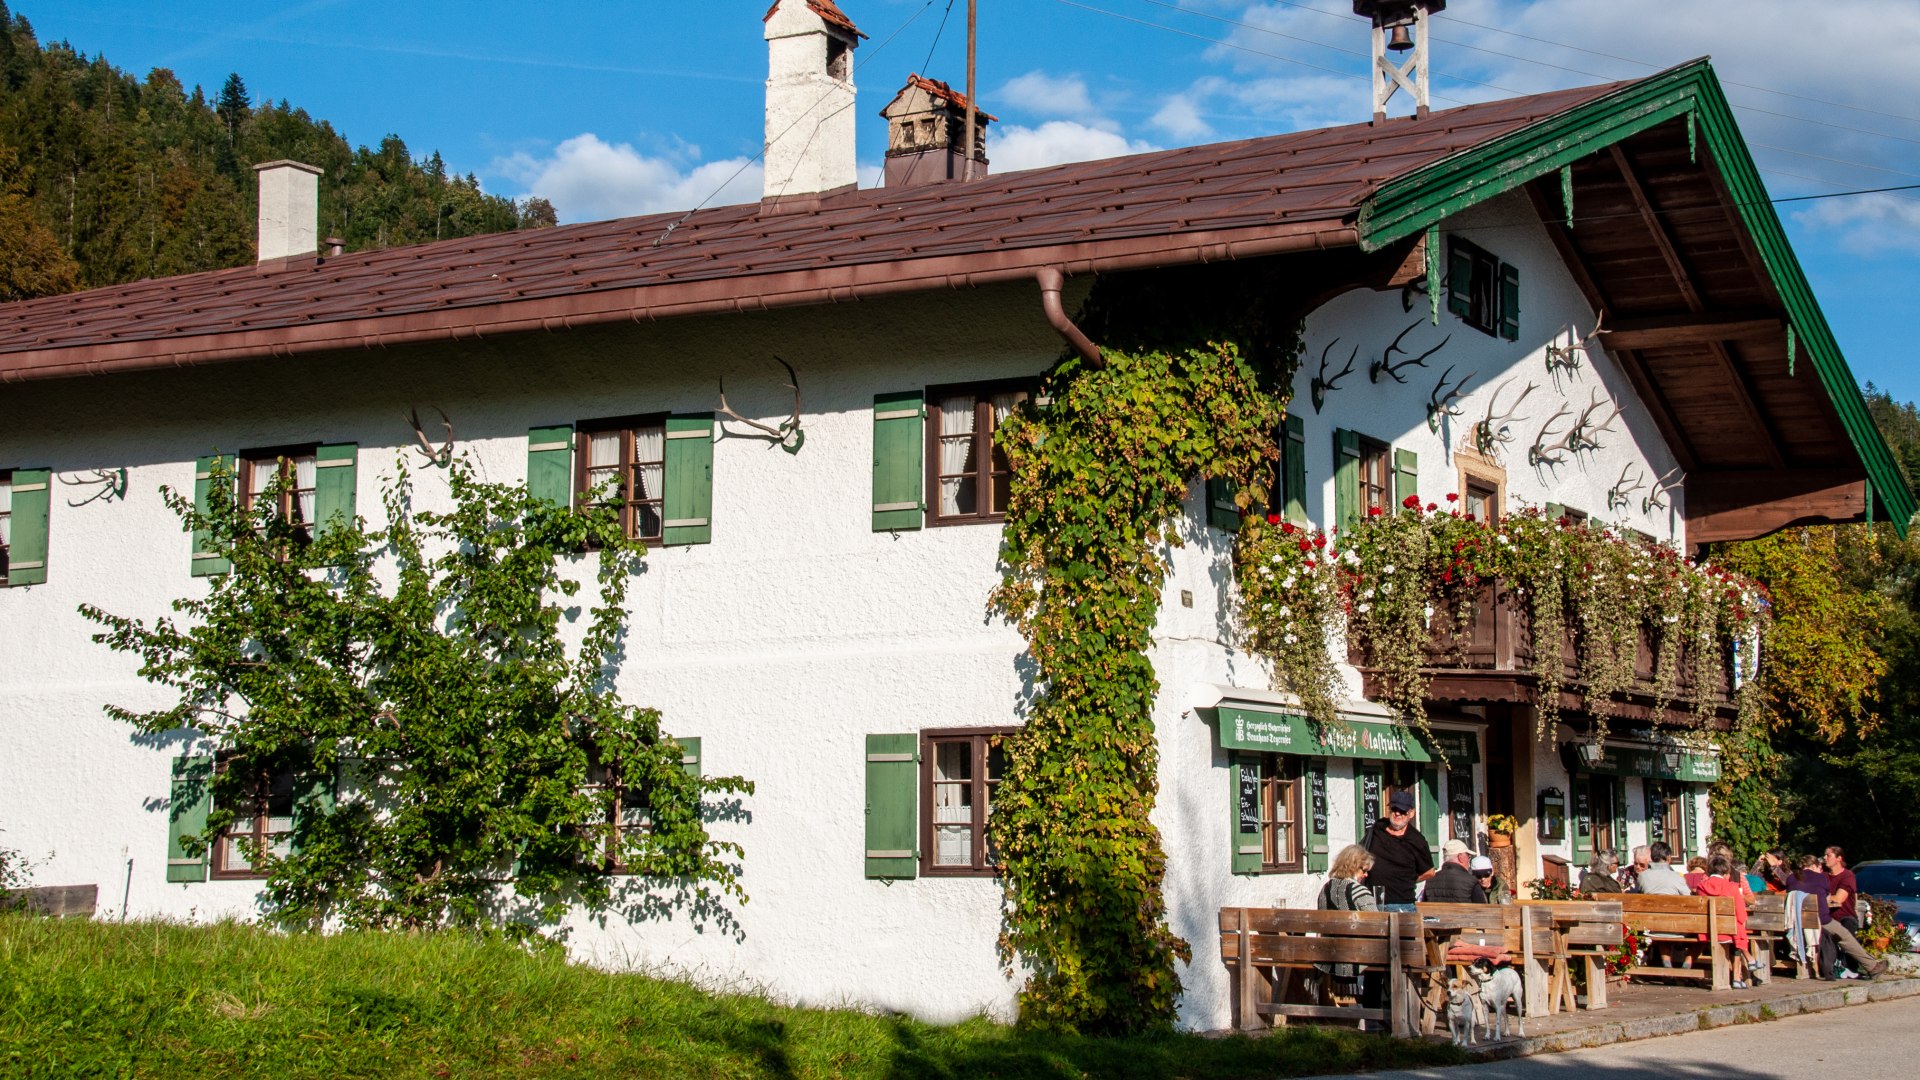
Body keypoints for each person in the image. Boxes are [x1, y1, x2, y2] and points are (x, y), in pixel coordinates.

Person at [1316, 844, 1379, 1010]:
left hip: (1327, 953)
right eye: (1363, 870)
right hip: (1355, 956)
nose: (1365, 875)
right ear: (1352, 866)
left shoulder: (1326, 889)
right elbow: (1377, 926)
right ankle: (1374, 1013)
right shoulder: (1360, 892)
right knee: (1390, 956)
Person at [1362, 790, 1434, 912]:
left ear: (1411, 813)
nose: (1397, 814)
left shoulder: (1416, 840)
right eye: (1394, 809)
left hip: (1401, 904)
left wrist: (1406, 880)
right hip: (1371, 902)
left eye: (1402, 811)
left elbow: (1430, 872)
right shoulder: (1377, 828)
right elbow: (1360, 853)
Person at [1693, 855, 1755, 988]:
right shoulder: (1732, 887)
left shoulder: (1701, 886)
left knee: (1734, 928)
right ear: (1726, 872)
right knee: (1737, 928)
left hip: (1706, 930)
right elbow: (1741, 914)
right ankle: (1738, 976)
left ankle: (1738, 974)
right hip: (1728, 932)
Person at [1422, 839, 1487, 903]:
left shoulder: (1430, 880)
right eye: (1468, 857)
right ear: (1460, 857)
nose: (1468, 861)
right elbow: (1482, 910)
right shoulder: (1471, 881)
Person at [1824, 846, 1862, 934]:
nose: (1825, 858)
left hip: (1844, 918)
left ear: (1839, 858)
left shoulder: (1847, 876)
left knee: (1847, 925)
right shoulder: (1823, 876)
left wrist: (1820, 898)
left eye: (1828, 855)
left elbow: (1839, 898)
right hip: (1826, 918)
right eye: (1824, 856)